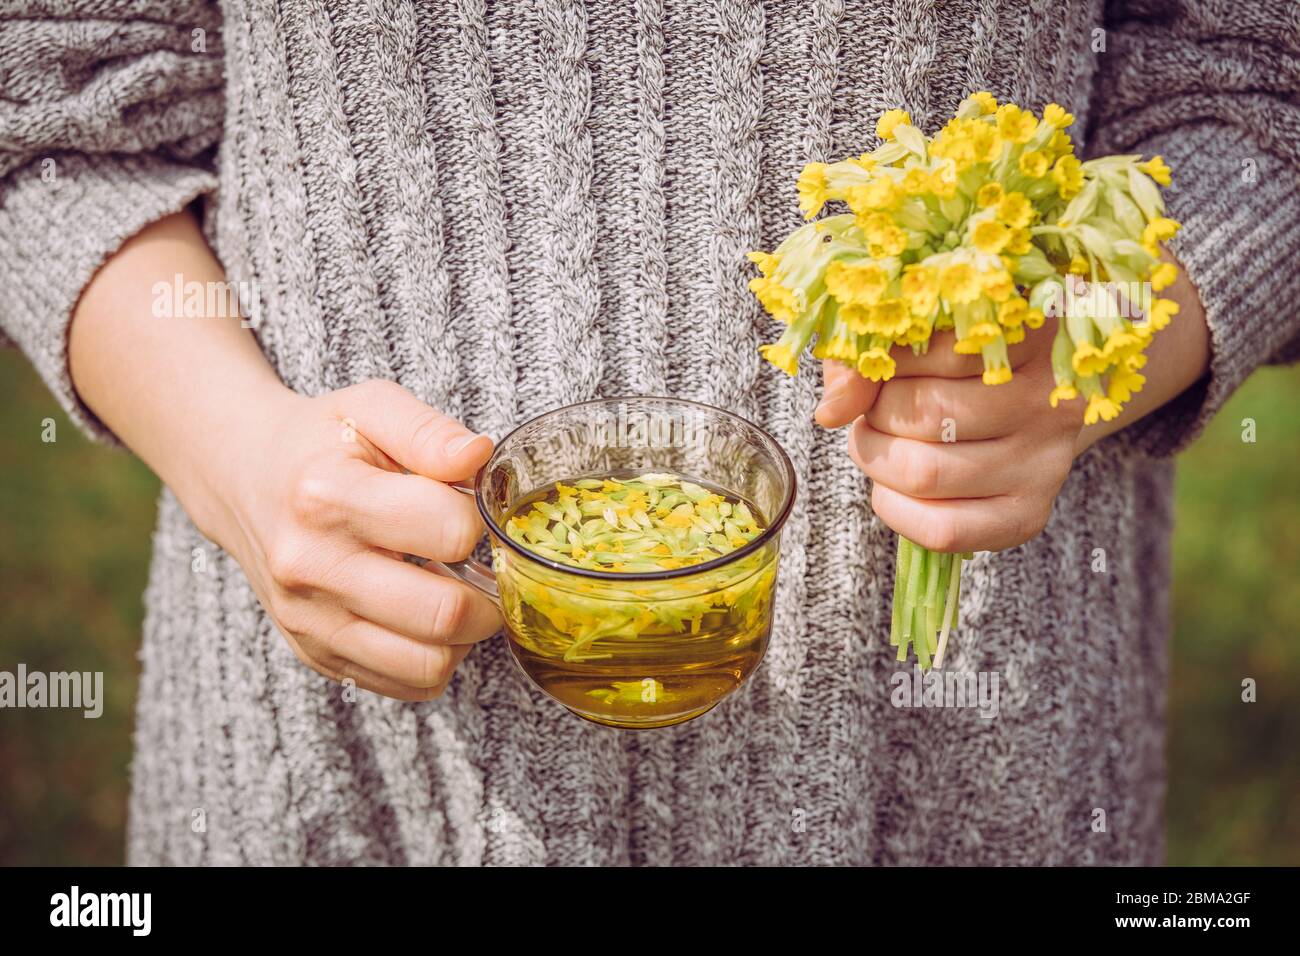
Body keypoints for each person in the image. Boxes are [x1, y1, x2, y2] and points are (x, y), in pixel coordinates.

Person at [1, 0, 1296, 865]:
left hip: (959, 759)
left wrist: (1110, 340)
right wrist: (238, 458)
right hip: (339, 761)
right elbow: (45, 102)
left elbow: (1259, 81)